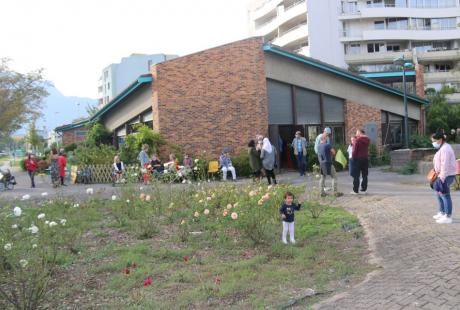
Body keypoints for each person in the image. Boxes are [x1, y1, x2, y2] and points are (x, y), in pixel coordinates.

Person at [431, 131, 457, 224]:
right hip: (441, 174)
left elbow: (445, 164)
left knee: (445, 194)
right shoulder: (442, 147)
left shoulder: (445, 149)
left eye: (434, 141)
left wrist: (441, 178)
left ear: (440, 140)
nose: (433, 143)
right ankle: (442, 212)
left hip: (446, 175)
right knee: (439, 193)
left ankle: (448, 216)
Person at [351, 129, 370, 195]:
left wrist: (353, 158)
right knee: (365, 175)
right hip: (365, 158)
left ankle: (355, 191)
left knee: (356, 175)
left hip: (357, 159)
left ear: (360, 133)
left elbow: (354, 151)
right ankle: (363, 190)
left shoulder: (358, 140)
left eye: (356, 132)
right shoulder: (367, 139)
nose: (356, 134)